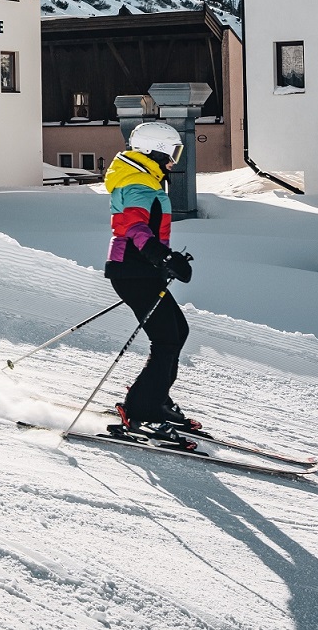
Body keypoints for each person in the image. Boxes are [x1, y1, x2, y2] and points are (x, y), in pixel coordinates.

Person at [102, 120, 195, 433]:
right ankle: (144, 407)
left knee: (177, 332)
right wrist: (163, 257)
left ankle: (155, 398)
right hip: (133, 270)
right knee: (167, 338)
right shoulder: (138, 183)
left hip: (141, 269)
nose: (173, 162)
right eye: (172, 153)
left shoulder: (144, 179)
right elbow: (136, 227)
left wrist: (163, 260)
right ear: (156, 151)